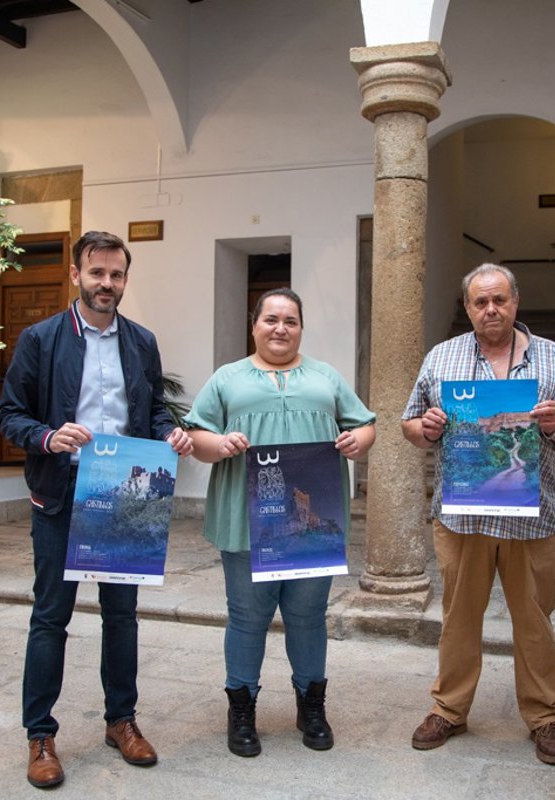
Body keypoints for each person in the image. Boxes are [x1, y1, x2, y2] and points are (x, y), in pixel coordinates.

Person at [0, 230, 194, 789]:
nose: (106, 283)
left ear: (125, 279)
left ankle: (121, 721)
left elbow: (153, 412)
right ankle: (40, 735)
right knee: (50, 617)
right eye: (97, 273)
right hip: (62, 492)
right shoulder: (40, 339)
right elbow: (9, 414)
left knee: (122, 616)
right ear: (76, 275)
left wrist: (171, 434)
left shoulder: (141, 342)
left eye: (116, 274)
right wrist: (47, 437)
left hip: (124, 493)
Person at [401, 263, 555, 765]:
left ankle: (545, 716)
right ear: (467, 308)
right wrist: (427, 428)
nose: (491, 310)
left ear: (515, 301)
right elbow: (409, 425)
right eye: (480, 302)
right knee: (459, 619)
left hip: (533, 519)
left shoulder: (554, 359)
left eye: (499, 300)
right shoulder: (442, 358)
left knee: (534, 621)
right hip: (463, 519)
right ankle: (449, 708)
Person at [184, 288, 376, 757]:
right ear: (254, 325)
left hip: (313, 521)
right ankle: (241, 708)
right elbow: (196, 435)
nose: (280, 328)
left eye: (290, 321)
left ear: (301, 328)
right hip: (246, 522)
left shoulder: (325, 376)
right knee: (247, 618)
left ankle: (311, 705)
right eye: (271, 319)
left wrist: (358, 441)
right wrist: (219, 444)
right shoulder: (228, 378)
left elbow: (364, 424)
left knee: (308, 617)